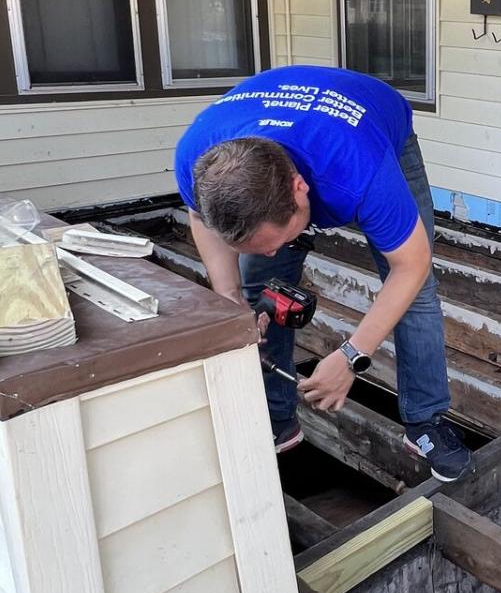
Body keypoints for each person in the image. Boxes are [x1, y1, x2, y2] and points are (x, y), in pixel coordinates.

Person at [174, 65, 471, 482]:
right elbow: (198, 217)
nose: (277, 252)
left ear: (300, 189)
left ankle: (426, 419)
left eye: (279, 239)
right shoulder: (198, 159)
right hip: (277, 124)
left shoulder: (359, 170)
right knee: (261, 287)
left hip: (372, 121)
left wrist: (351, 356)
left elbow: (413, 264)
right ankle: (277, 419)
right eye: (260, 244)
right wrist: (229, 296)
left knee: (416, 292)